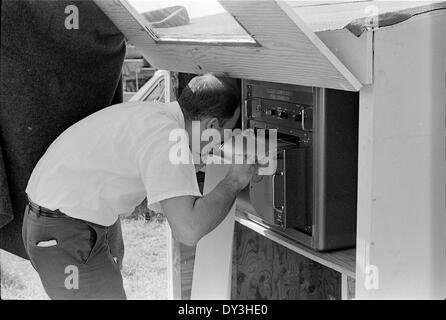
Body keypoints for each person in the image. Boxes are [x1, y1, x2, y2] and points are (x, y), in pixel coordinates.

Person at [22, 74, 257, 300]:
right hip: (65, 231)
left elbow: (110, 170)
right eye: (224, 135)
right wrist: (234, 180)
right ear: (212, 124)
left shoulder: (153, 115)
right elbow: (189, 230)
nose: (222, 144)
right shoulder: (168, 137)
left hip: (52, 223)